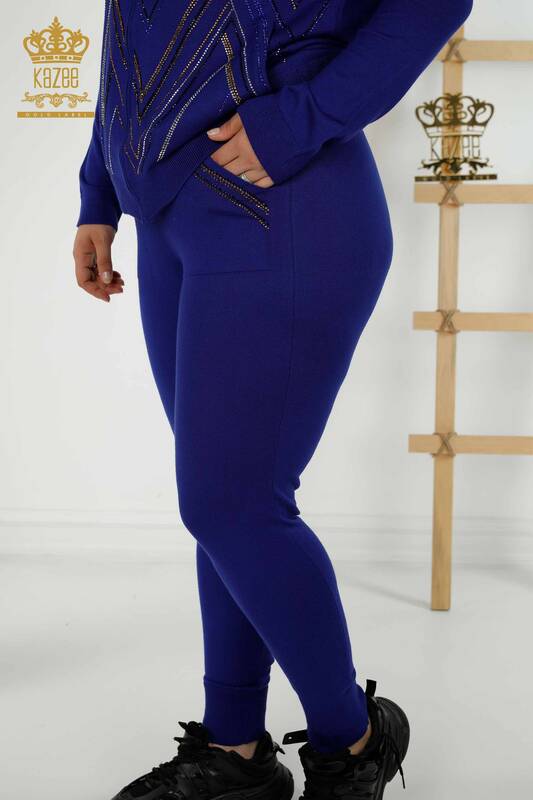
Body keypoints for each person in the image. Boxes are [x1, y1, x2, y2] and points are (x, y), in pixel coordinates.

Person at [72, 1, 473, 798]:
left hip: (285, 205)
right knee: (223, 505)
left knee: (230, 503)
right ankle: (235, 752)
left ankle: (352, 742)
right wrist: (99, 190)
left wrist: (300, 118)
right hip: (170, 223)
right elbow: (134, 32)